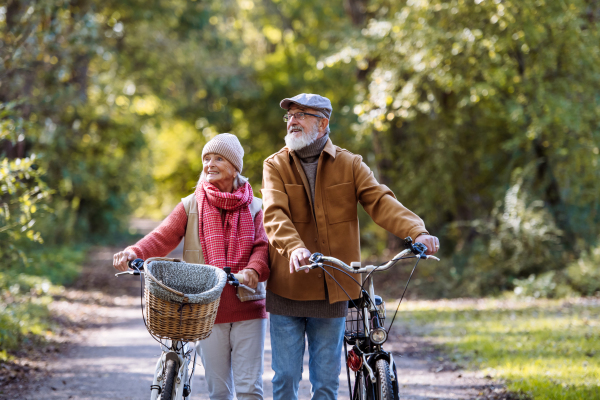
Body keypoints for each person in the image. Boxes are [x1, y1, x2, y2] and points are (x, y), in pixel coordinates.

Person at [261, 93, 440, 399]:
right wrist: (293, 247)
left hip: (334, 291)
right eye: (289, 115)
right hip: (288, 287)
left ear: (323, 123)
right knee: (286, 379)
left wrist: (416, 231)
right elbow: (274, 213)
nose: (292, 120)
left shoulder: (350, 164)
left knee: (326, 383)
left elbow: (381, 201)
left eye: (301, 114)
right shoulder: (275, 164)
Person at [113, 133, 269, 400]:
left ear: (234, 167)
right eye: (206, 158)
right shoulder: (191, 204)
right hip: (207, 310)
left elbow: (262, 246)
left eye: (218, 158)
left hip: (249, 307)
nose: (210, 164)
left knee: (249, 390)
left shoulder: (256, 206)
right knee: (219, 391)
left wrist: (253, 271)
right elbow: (163, 237)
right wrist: (133, 252)